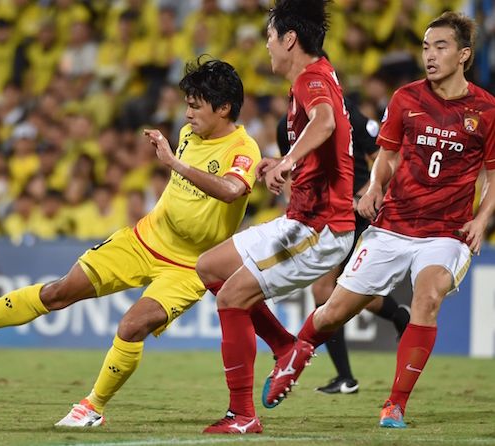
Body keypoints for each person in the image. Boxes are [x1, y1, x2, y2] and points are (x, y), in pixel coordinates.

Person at [0, 59, 262, 428]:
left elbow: (232, 189)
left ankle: (91, 408)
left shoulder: (243, 148)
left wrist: (174, 163)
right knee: (59, 293)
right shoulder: (190, 134)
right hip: (143, 239)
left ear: (223, 108)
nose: (187, 113)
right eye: (187, 104)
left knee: (132, 326)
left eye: (195, 106)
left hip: (190, 266)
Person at [263, 11, 495, 428]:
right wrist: (372, 189)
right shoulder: (406, 98)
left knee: (427, 297)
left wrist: (481, 221)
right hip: (393, 225)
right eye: (425, 46)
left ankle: (395, 404)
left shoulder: (487, 109)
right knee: (333, 310)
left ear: (463, 55)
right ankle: (295, 354)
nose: (430, 54)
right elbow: (385, 157)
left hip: (447, 232)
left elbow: (494, 176)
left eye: (440, 46)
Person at [195, 0, 355, 434]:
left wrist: (289, 160)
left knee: (231, 298)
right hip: (303, 220)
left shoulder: (312, 79)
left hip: (319, 229)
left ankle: (242, 416)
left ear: (289, 39)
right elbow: (323, 138)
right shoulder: (315, 76)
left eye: (270, 36)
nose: (267, 45)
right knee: (208, 267)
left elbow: (323, 124)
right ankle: (286, 346)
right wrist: (281, 162)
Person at [275, 103, 410, 395]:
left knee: (327, 292)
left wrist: (365, 196)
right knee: (344, 293)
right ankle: (398, 319)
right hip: (319, 216)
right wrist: (295, 209)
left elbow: (382, 159)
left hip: (354, 211)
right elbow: (289, 172)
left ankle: (346, 376)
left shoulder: (352, 116)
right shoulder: (284, 125)